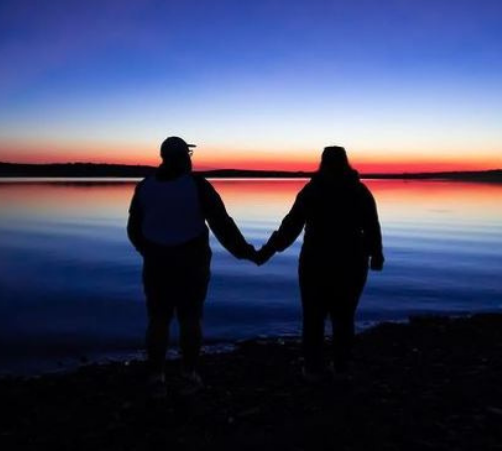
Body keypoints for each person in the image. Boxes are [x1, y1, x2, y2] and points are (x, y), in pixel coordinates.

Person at [127, 136, 256, 397]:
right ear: (183, 158)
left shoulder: (145, 186)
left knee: (158, 319)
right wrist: (246, 252)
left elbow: (133, 230)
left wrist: (149, 251)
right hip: (191, 265)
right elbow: (222, 224)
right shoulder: (197, 186)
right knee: (190, 318)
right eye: (188, 155)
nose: (189, 159)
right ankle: (187, 374)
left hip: (157, 264)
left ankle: (156, 377)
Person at [256, 146, 384, 381]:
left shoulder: (313, 190)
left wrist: (267, 251)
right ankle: (341, 368)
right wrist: (376, 255)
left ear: (322, 163)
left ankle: (315, 368)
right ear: (346, 162)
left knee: (314, 317)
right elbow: (372, 227)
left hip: (317, 264)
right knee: (343, 317)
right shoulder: (358, 191)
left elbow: (290, 226)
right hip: (350, 264)